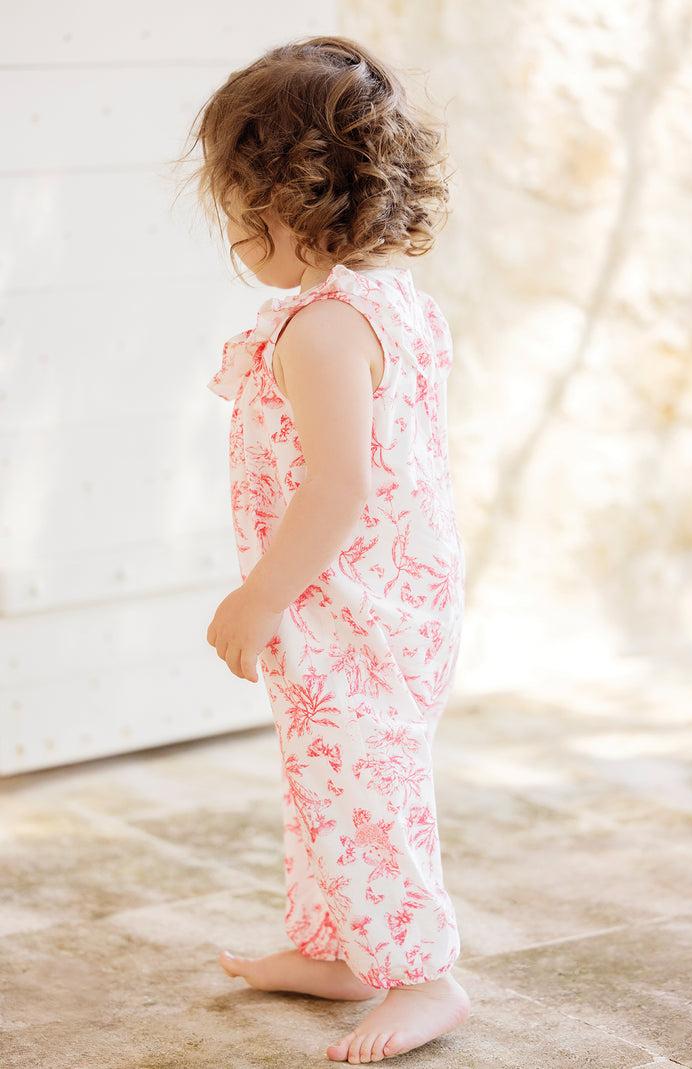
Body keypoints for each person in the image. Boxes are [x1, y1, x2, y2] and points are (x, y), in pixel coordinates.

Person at [187, 33, 469, 1063]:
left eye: (236, 209)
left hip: (350, 606)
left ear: (292, 202)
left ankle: (424, 973)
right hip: (381, 593)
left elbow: (338, 483)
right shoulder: (394, 302)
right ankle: (342, 947)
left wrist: (259, 594)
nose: (231, 232)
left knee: (367, 787)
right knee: (326, 776)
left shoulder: (322, 329)